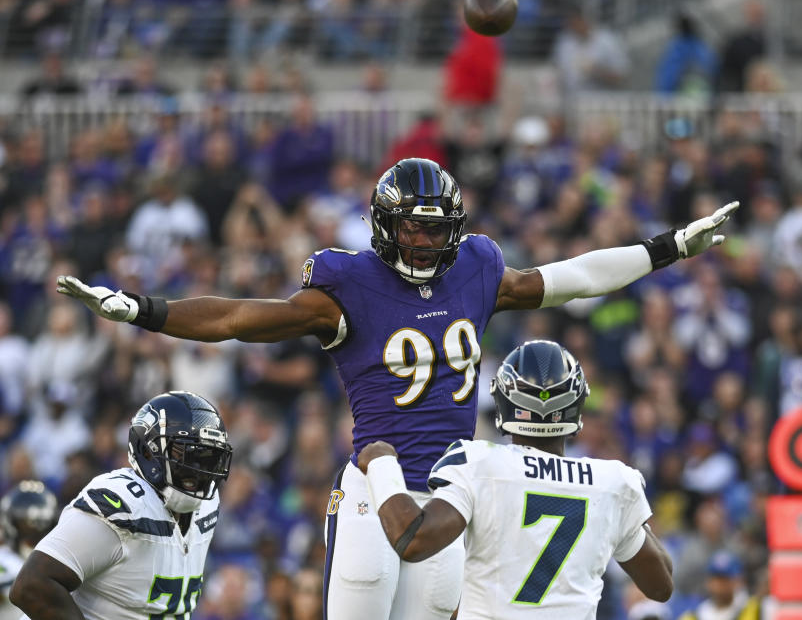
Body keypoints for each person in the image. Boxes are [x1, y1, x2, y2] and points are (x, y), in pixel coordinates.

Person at [56, 157, 737, 620]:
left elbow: (573, 277)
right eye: (411, 225)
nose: (422, 238)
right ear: (385, 224)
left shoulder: (476, 269)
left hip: (447, 498)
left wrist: (669, 245)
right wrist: (144, 309)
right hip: (372, 489)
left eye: (436, 227)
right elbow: (240, 316)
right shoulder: (346, 286)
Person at [357, 339, 674, 618]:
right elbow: (661, 586)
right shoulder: (612, 482)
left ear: (504, 405)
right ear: (576, 410)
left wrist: (382, 465)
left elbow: (413, 539)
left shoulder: (481, 463)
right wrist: (623, 524)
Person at [9, 391, 233, 620]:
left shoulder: (207, 505)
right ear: (148, 451)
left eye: (208, 457)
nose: (199, 469)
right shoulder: (123, 504)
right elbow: (32, 586)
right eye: (187, 454)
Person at [0, 481, 58, 620]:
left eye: (38, 525)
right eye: (24, 525)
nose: (32, 532)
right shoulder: (5, 560)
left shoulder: (59, 563)